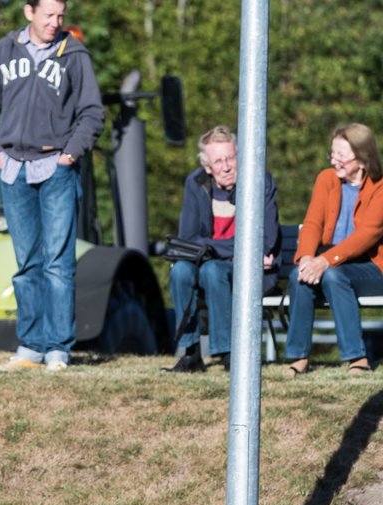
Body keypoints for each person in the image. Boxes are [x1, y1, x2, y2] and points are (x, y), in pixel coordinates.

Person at [0, 0, 105, 372]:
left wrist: (70, 154)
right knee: (26, 263)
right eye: (49, 15)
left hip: (56, 168)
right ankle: (30, 348)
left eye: (61, 15)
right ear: (28, 12)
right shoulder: (6, 49)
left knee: (58, 263)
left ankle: (58, 350)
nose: (56, 22)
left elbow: (93, 112)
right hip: (14, 169)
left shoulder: (74, 53)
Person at [161, 126, 280, 373]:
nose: (226, 167)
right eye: (218, 161)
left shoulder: (261, 181)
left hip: (243, 270)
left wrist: (210, 248)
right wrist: (232, 247)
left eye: (230, 158)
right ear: (207, 167)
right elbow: (189, 239)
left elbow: (265, 240)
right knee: (180, 271)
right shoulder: (195, 184)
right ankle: (190, 351)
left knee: (212, 270)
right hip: (208, 263)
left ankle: (227, 352)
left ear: (240, 156)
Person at [285, 123, 383, 376]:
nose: (334, 160)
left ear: (361, 160)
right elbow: (313, 223)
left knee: (332, 274)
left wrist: (325, 261)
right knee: (299, 275)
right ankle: (298, 356)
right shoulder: (326, 179)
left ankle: (356, 357)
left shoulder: (380, 187)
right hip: (332, 260)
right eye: (333, 153)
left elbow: (367, 235)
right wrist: (307, 257)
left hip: (372, 266)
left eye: (341, 155)